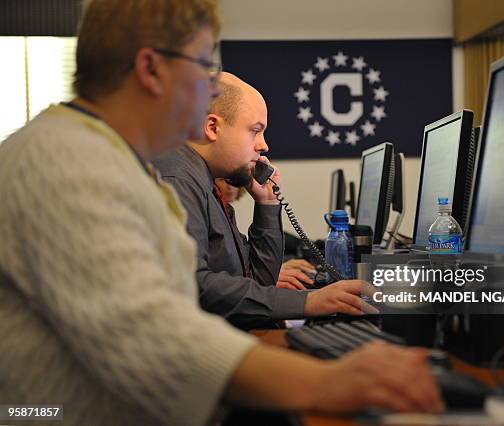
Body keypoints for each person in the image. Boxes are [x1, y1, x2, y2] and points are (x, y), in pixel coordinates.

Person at [0, 0, 443, 424]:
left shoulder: (113, 159)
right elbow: (156, 335)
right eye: (201, 70)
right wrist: (327, 380)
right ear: (151, 68)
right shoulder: (66, 162)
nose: (208, 93)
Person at [154, 72, 375, 328]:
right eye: (255, 131)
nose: (264, 145)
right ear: (212, 127)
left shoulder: (203, 182)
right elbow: (196, 286)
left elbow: (259, 281)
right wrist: (309, 301)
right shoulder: (177, 181)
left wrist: (267, 204)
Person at [215, 177, 317, 290]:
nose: (230, 186)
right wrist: (268, 274)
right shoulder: (213, 215)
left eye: (232, 180)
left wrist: (276, 267)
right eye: (222, 180)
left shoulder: (227, 213)